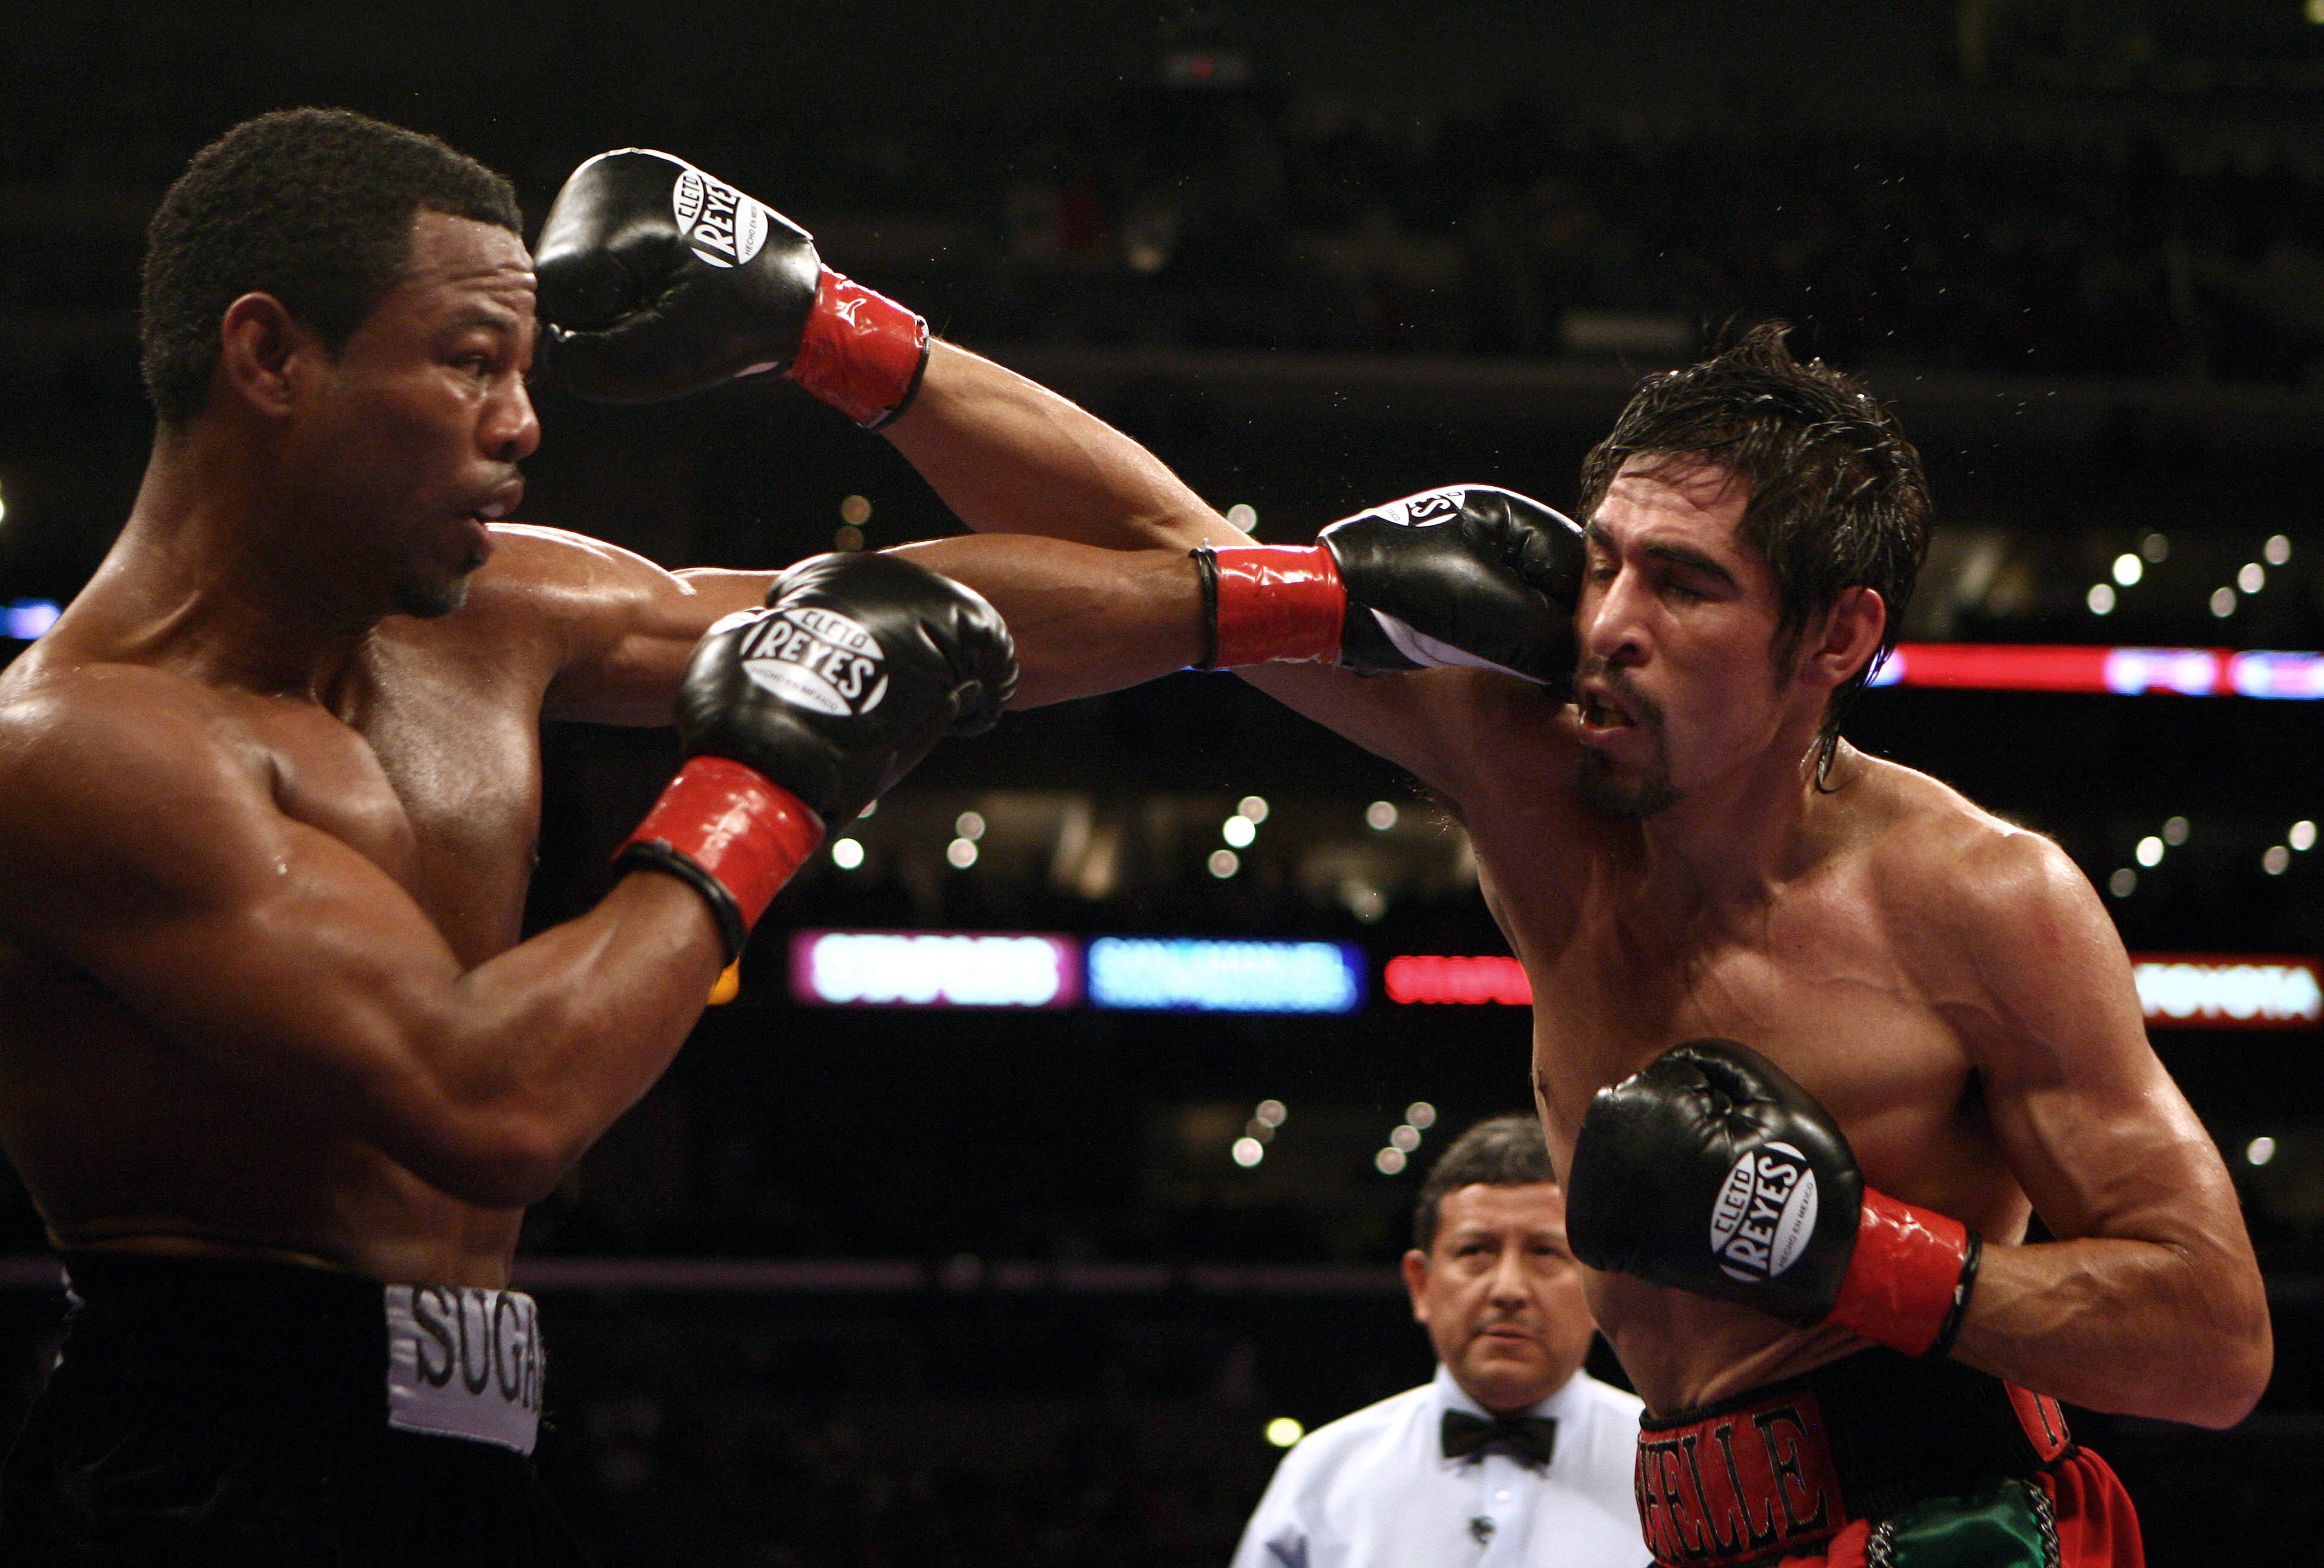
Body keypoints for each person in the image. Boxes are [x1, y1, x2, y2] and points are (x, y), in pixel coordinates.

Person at [0, 111, 1567, 1566]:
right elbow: (486, 1101)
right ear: (270, 356)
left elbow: (963, 604)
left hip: (470, 1444)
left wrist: (1321, 595)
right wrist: (765, 785)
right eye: (470, 364)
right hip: (202, 1465)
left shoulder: (486, 616)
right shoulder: (82, 748)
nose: (521, 424)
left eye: (524, 371)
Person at [807, 332, 2272, 1566]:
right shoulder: (1533, 780)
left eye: (1684, 584)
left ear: (1837, 637)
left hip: (1955, 1522)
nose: (1609, 624)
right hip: (1695, 1522)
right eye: (1605, 563)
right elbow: (1168, 547)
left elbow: (2212, 1343)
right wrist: (832, 332)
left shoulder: (1980, 899)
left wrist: (1839, 1250)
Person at [1232, 1116, 1643, 1568]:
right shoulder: (1322, 1473)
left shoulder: (1673, 1471)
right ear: (1421, 1284)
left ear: (1599, 1287)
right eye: (1475, 1251)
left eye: (1545, 1252)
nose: (1508, 1289)